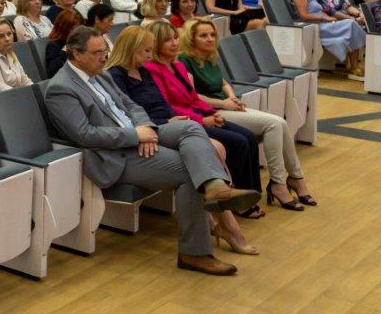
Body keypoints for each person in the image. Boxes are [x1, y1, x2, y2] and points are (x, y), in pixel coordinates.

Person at [46, 26, 260, 276]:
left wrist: (145, 127)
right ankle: (195, 253)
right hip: (114, 154)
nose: (104, 57)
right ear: (76, 54)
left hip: (141, 132)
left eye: (105, 51)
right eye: (97, 53)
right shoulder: (61, 88)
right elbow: (84, 134)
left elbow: (131, 105)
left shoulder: (99, 74)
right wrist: (135, 136)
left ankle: (215, 186)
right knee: (191, 171)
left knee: (191, 127)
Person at [105, 27, 256, 253]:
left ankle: (218, 221)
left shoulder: (142, 70)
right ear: (131, 49)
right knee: (213, 149)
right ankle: (227, 225)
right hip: (150, 129)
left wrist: (172, 117)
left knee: (216, 147)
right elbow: (127, 113)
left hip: (167, 122)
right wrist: (163, 121)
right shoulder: (115, 75)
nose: (150, 55)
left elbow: (160, 103)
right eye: (146, 50)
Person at [177, 17, 315, 210]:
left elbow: (223, 82)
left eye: (212, 34)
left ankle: (294, 178)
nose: (210, 39)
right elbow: (192, 96)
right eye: (203, 36)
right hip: (212, 111)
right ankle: (280, 183)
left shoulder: (208, 56)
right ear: (192, 39)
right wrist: (224, 103)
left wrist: (232, 97)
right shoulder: (185, 60)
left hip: (226, 105)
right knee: (274, 124)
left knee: (280, 123)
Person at [139, 20, 264, 213]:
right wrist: (202, 120)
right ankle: (240, 204)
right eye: (168, 40)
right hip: (186, 122)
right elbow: (167, 106)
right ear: (156, 44)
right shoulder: (152, 69)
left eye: (175, 38)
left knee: (249, 137)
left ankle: (252, 194)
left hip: (200, 115)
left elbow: (193, 98)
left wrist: (212, 112)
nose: (174, 43)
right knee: (238, 142)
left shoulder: (178, 65)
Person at [293, 0, 366, 78]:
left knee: (353, 25)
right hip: (315, 26)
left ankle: (354, 64)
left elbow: (323, 10)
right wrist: (325, 18)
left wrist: (327, 17)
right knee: (352, 24)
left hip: (323, 22)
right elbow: (304, 16)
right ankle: (355, 62)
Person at [45, 10, 85, 78]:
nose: (77, 33)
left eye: (79, 29)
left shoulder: (80, 42)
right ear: (64, 28)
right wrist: (65, 51)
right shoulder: (54, 45)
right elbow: (52, 72)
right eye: (73, 29)